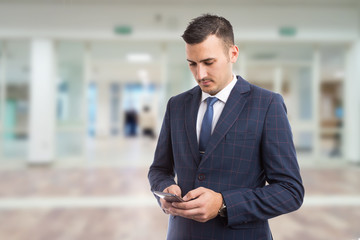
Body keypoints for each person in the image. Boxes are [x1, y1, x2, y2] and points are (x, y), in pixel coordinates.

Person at [148, 14, 304, 240]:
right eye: (192, 64)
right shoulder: (177, 105)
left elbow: (290, 191)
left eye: (208, 62)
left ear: (233, 53)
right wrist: (165, 190)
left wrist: (223, 204)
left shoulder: (267, 104)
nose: (200, 74)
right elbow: (159, 169)